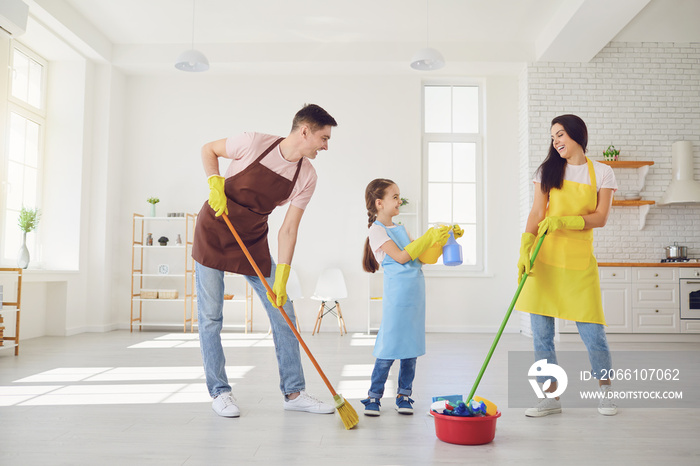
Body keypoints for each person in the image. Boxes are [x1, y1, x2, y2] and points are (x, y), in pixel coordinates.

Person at [191, 104, 338, 418]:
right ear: (305, 131)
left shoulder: (306, 175)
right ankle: (220, 392)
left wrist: (282, 273)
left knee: (284, 311)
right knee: (210, 317)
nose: (326, 145)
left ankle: (294, 392)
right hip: (215, 228)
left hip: (253, 236)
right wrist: (214, 183)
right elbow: (209, 150)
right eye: (323, 138)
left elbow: (289, 229)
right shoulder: (253, 141)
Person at [516, 114, 618, 417]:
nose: (555, 141)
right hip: (543, 260)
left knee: (593, 333)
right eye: (552, 137)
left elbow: (600, 218)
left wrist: (565, 220)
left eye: (560, 134)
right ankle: (550, 398)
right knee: (542, 336)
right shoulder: (547, 170)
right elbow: (537, 212)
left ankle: (606, 393)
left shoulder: (602, 172)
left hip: (578, 263)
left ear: (577, 135)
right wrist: (524, 249)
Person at [360, 178, 453, 416]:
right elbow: (402, 257)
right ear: (379, 203)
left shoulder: (401, 228)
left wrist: (441, 241)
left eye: (399, 196)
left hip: (415, 291)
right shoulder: (376, 231)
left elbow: (420, 258)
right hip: (397, 293)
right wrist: (427, 237)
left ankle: (404, 395)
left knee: (411, 345)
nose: (399, 200)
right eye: (395, 197)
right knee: (389, 344)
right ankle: (374, 396)